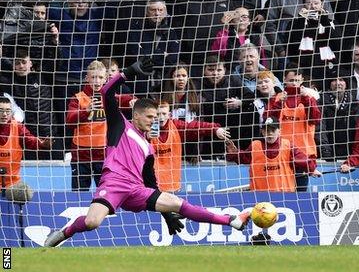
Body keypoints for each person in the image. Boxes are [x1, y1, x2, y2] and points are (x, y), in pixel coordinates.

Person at [44, 57, 250, 247]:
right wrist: (128, 72)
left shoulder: (148, 146)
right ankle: (64, 232)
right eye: (150, 116)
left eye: (155, 117)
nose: (154, 121)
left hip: (135, 190)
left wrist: (167, 214)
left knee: (179, 204)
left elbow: (150, 182)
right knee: (92, 222)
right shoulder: (120, 126)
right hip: (114, 183)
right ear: (136, 115)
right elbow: (106, 92)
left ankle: (231, 220)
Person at [66, 60, 135, 191]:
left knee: (105, 192)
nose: (97, 81)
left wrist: (133, 100)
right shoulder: (78, 98)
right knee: (78, 194)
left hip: (103, 154)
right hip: (81, 155)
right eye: (93, 77)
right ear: (86, 78)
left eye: (100, 77)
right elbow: (69, 120)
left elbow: (123, 99)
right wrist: (85, 111)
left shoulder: (108, 97)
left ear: (105, 79)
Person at [151, 99, 229, 192]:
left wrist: (215, 129)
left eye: (164, 114)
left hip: (171, 184)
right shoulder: (146, 129)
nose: (161, 117)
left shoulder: (176, 126)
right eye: (158, 114)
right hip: (151, 184)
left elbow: (195, 126)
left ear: (169, 115)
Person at [225, 117, 318, 192]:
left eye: (273, 130)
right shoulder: (255, 146)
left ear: (279, 131)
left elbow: (302, 160)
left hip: (286, 196)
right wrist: (234, 153)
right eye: (266, 130)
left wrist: (312, 169)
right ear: (262, 132)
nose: (270, 133)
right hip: (259, 196)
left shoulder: (288, 145)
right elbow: (243, 157)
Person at [267, 67, 321, 191]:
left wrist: (306, 100)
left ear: (302, 80)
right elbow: (268, 122)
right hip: (280, 154)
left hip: (302, 157)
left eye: (297, 80)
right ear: (284, 80)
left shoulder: (309, 97)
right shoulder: (276, 98)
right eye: (291, 80)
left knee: (300, 196)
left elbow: (316, 120)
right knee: (280, 193)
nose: (294, 84)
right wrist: (278, 104)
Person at [0, 97, 51, 203]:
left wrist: (41, 144)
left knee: (26, 192)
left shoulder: (17, 127)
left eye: (7, 111)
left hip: (12, 186)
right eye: (1, 111)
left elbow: (30, 139)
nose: (4, 114)